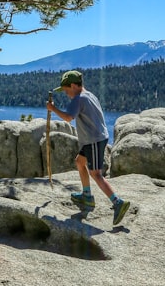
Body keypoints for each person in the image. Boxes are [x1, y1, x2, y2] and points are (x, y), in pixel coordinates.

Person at [46, 70, 130, 226]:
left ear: (73, 85)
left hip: (94, 140)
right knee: (79, 162)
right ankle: (87, 196)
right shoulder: (90, 95)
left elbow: (68, 118)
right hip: (94, 138)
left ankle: (118, 202)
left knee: (96, 174)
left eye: (66, 89)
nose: (65, 93)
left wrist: (52, 109)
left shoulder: (78, 99)